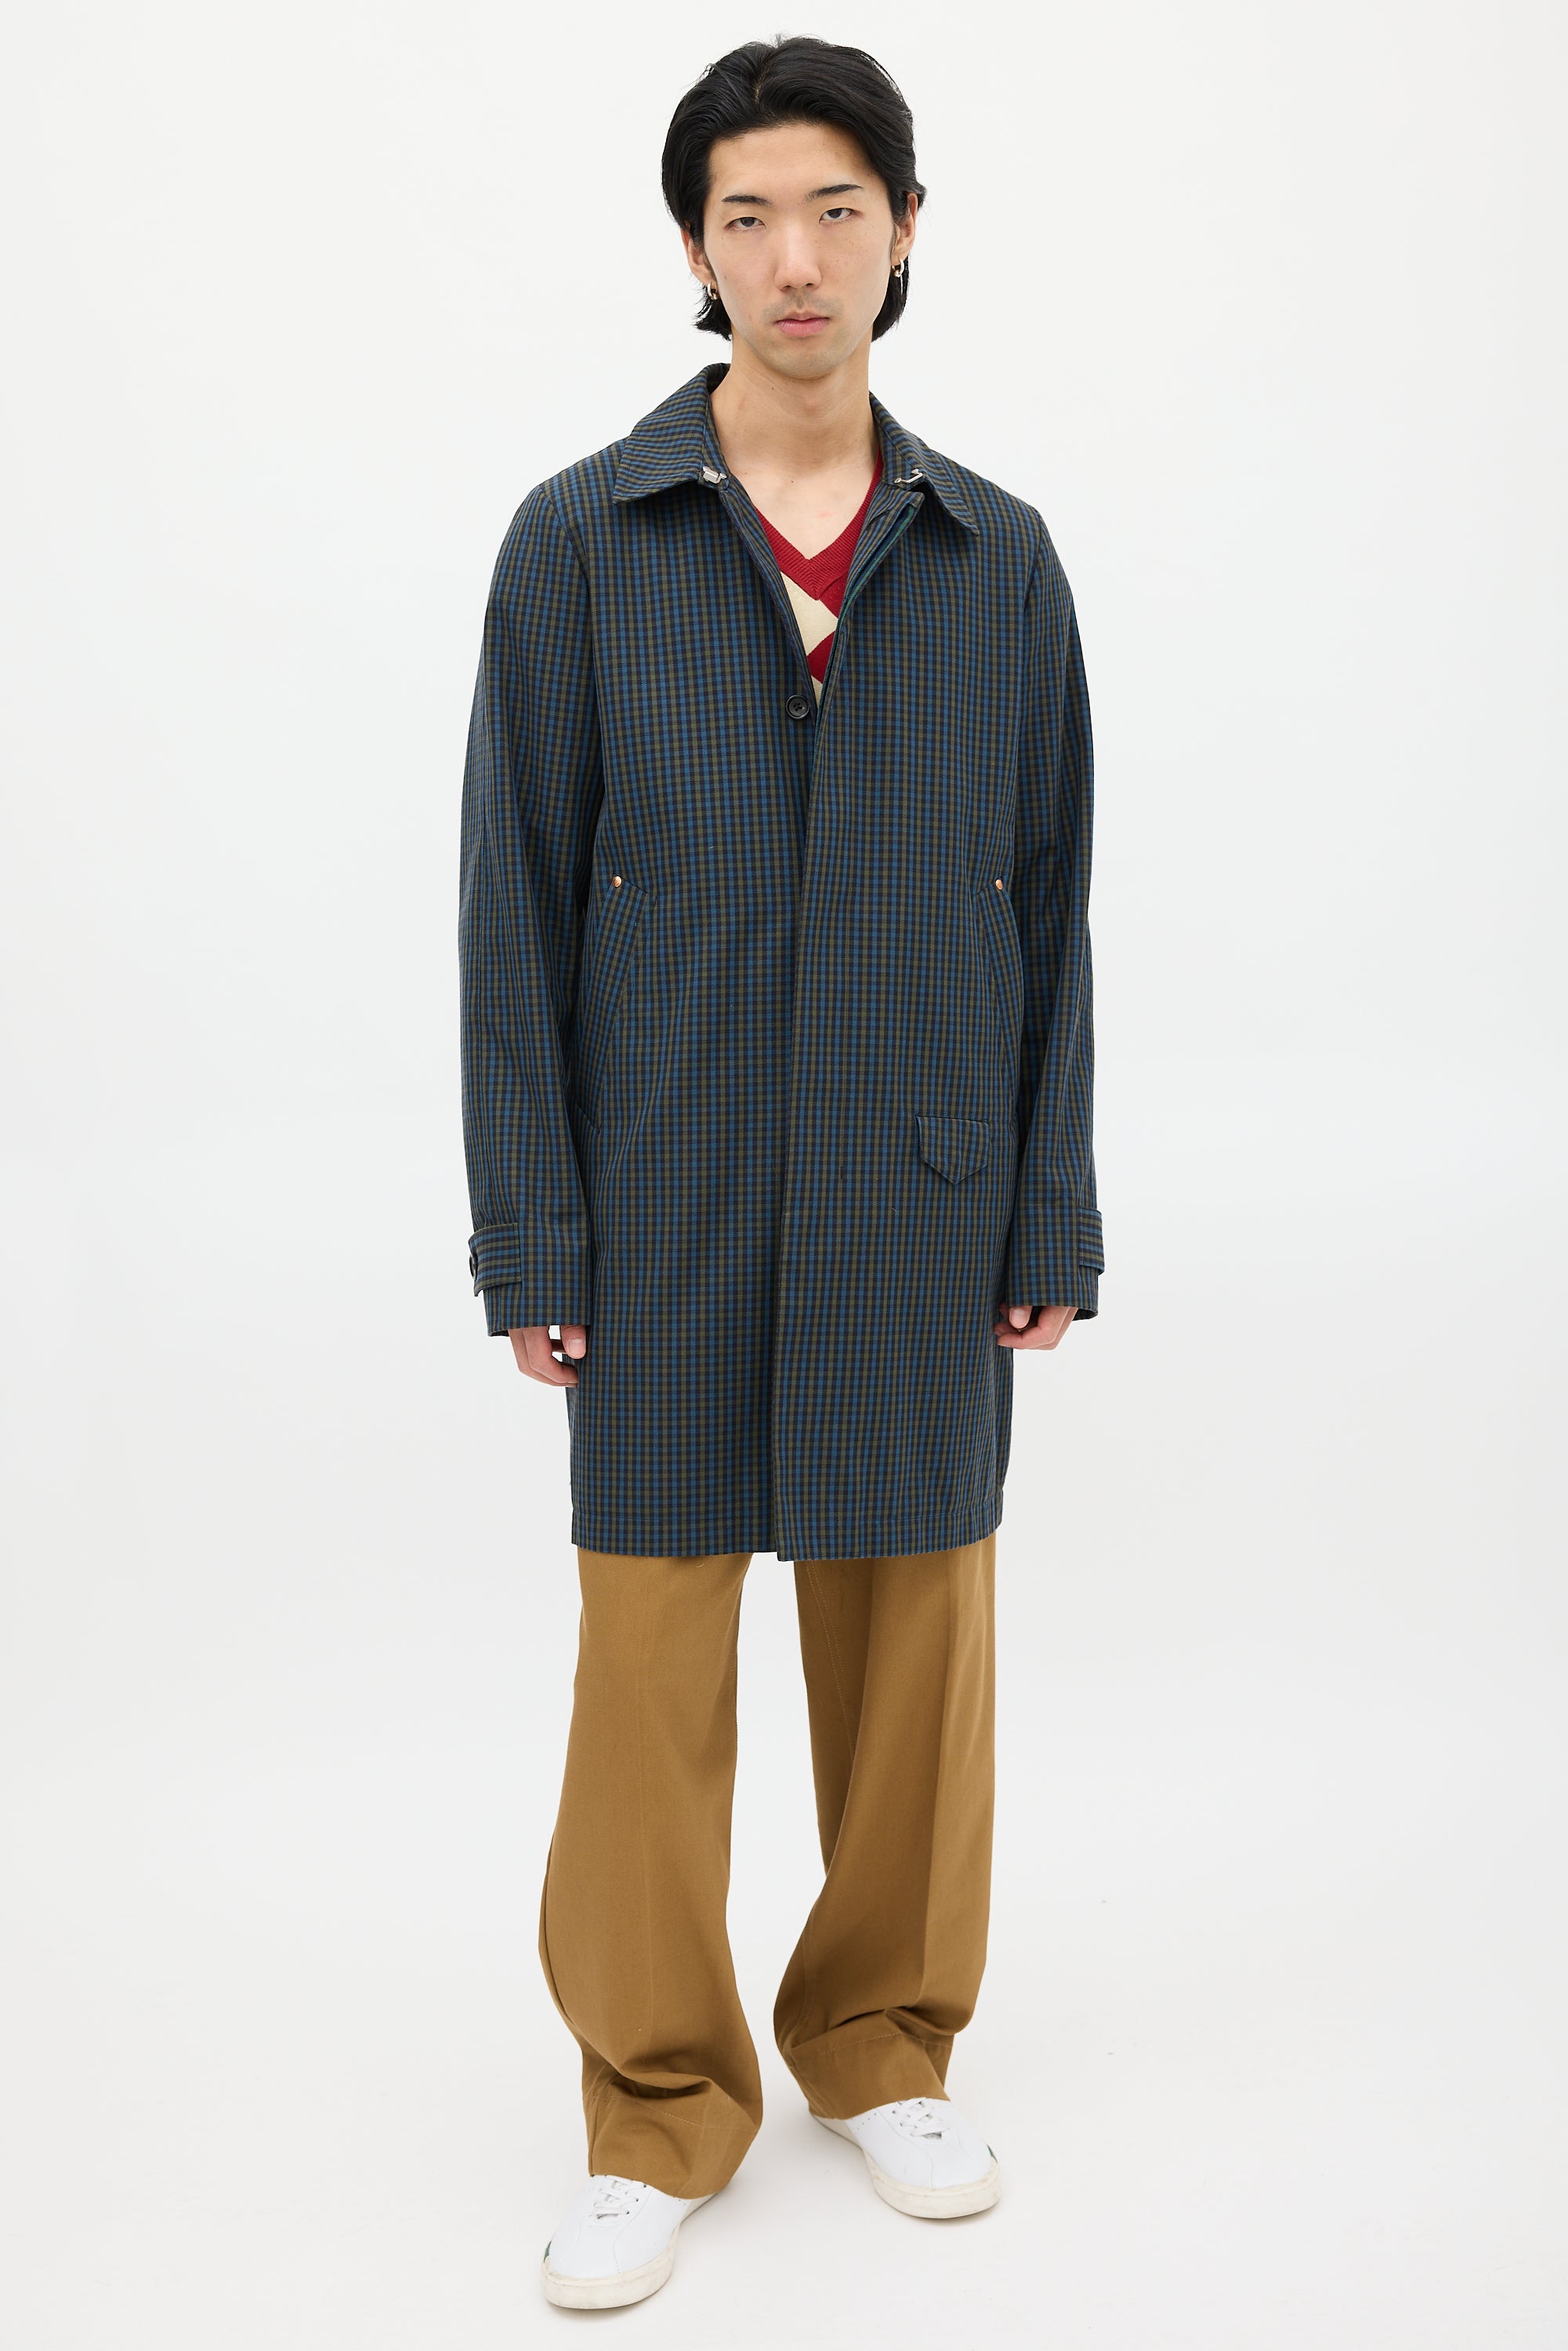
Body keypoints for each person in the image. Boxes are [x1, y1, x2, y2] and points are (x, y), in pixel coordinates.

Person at [457, 33, 1104, 2313]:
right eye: (748, 216)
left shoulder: (995, 559)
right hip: (660, 1197)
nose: (796, 257)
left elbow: (1050, 904)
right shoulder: (582, 541)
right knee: (646, 1670)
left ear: (904, 232)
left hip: (919, 1192)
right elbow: (513, 912)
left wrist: (1044, 1203)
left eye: (837, 208)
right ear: (695, 249)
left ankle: (882, 2042)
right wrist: (532, 1230)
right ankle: (653, 2103)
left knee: (916, 1646)